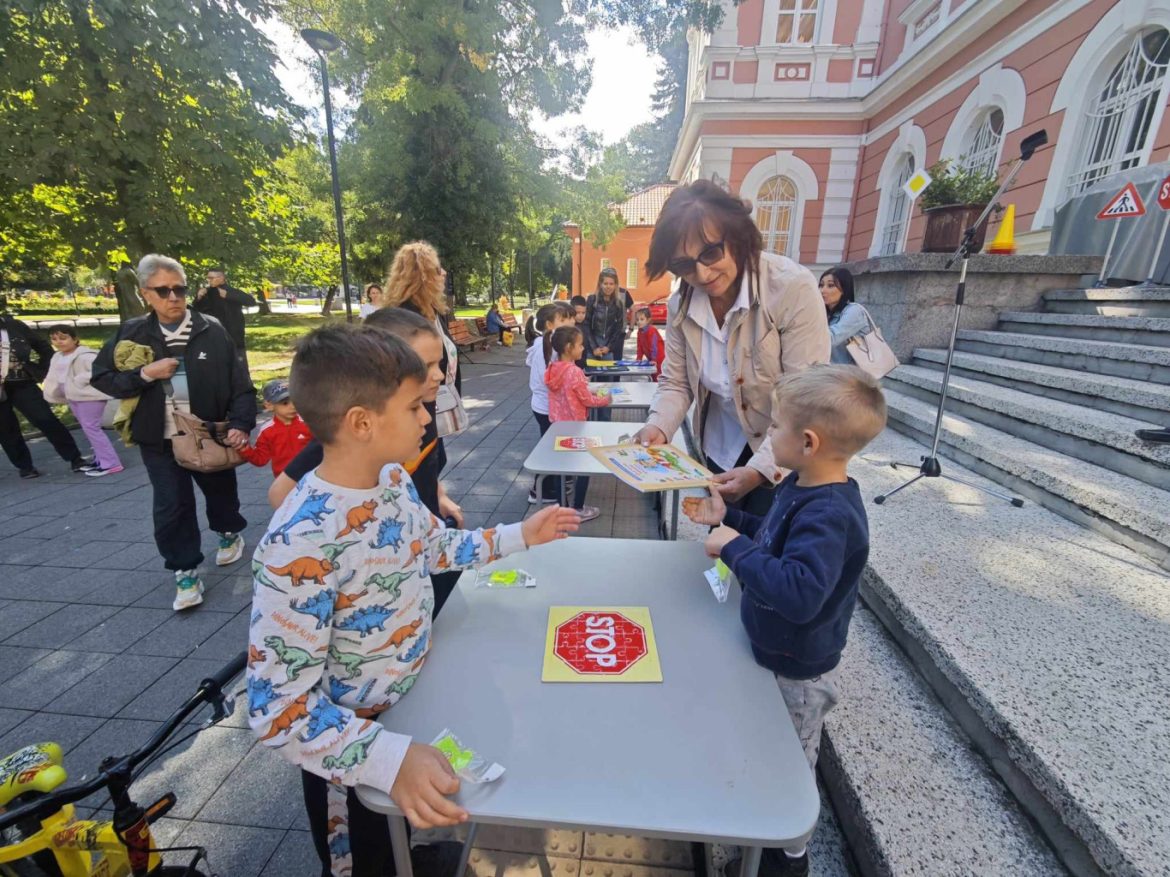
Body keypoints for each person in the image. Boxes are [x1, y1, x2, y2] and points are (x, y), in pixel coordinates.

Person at [248, 323, 580, 877]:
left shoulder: (393, 481)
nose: (427, 417)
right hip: (350, 749)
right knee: (367, 861)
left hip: (406, 706)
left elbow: (433, 546)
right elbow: (277, 707)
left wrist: (519, 535)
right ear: (362, 422)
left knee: (400, 837)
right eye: (413, 407)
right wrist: (388, 758)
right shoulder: (300, 543)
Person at [683, 365, 887, 877]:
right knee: (762, 742)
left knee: (790, 760)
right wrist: (729, 520)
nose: (768, 435)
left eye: (775, 426)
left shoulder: (830, 515)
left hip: (797, 668)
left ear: (809, 442)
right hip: (772, 647)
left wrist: (733, 548)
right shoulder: (802, 485)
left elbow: (799, 593)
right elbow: (773, 537)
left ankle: (787, 856)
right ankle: (762, 824)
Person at [634, 179, 830, 516]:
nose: (701, 273)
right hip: (718, 448)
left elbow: (807, 400)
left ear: (737, 236)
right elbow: (676, 383)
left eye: (710, 253)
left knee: (766, 542)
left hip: (783, 449)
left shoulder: (791, 288)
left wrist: (760, 470)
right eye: (683, 265)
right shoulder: (681, 303)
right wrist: (658, 426)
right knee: (722, 536)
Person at [272, 308, 466, 617]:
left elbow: (426, 465)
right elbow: (281, 493)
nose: (437, 374)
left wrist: (439, 495)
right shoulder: (354, 434)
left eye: (438, 363)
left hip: (424, 545)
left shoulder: (420, 412)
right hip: (393, 558)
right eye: (424, 364)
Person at [92, 254, 254, 612]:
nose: (173, 297)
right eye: (162, 290)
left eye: (179, 289)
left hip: (207, 433)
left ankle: (228, 531)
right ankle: (185, 570)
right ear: (145, 293)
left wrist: (241, 424)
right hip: (159, 439)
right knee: (171, 505)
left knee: (220, 494)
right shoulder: (132, 333)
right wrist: (145, 374)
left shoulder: (211, 329)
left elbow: (240, 384)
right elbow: (102, 377)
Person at [0, 304, 89, 478]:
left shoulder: (13, 326)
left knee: (45, 419)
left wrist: (41, 370)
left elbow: (43, 347)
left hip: (22, 383)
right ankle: (25, 467)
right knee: (5, 428)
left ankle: (75, 458)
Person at [545, 325, 609, 523]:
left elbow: (567, 390)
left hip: (557, 426)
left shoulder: (553, 368)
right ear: (568, 347)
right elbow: (587, 400)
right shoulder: (574, 371)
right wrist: (605, 399)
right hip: (576, 426)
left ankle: (561, 508)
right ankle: (578, 508)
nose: (583, 348)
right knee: (583, 466)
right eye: (580, 345)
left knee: (560, 468)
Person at [43, 325, 123, 477]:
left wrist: (79, 380)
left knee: (91, 427)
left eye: (63, 338)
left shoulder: (86, 355)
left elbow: (100, 370)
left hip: (89, 395)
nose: (59, 342)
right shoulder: (57, 356)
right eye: (54, 339)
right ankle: (100, 459)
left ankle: (111, 463)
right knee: (88, 428)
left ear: (75, 339)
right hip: (72, 395)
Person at [526, 302, 576, 504]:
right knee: (550, 449)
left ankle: (557, 482)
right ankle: (540, 491)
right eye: (562, 320)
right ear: (549, 325)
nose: (569, 323)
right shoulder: (544, 348)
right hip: (547, 408)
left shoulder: (550, 344)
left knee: (552, 447)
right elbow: (548, 381)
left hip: (549, 406)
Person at [238, 378, 312, 478]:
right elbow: (261, 459)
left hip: (312, 477)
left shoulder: (309, 424)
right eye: (285, 403)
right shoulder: (266, 431)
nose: (293, 407)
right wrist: (245, 449)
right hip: (285, 480)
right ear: (269, 405)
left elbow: (325, 447)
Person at [193, 266, 257, 356]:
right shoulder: (205, 293)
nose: (209, 280)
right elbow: (195, 311)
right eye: (208, 278)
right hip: (212, 336)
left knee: (237, 362)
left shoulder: (231, 291)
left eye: (211, 278)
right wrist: (199, 297)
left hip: (233, 337)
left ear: (221, 278)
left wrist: (228, 295)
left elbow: (251, 302)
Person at [819, 268, 868, 365]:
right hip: (828, 369)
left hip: (850, 372)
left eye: (830, 285)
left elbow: (831, 338)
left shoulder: (854, 311)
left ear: (844, 289)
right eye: (821, 285)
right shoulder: (825, 312)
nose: (822, 290)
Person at [583, 267, 627, 361]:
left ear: (615, 285)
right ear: (600, 284)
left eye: (611, 284)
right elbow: (586, 324)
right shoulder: (592, 300)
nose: (608, 287)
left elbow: (618, 328)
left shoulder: (618, 303)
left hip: (608, 348)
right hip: (592, 346)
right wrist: (594, 347)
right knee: (591, 370)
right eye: (605, 283)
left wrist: (609, 347)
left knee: (608, 370)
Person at [634, 307, 665, 381]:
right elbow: (639, 347)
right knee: (653, 376)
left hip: (659, 359)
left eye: (642, 319)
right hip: (651, 358)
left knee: (658, 377)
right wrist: (639, 358)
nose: (639, 322)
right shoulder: (639, 332)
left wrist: (654, 359)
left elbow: (654, 346)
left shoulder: (651, 330)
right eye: (637, 320)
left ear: (648, 320)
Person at [570, 295, 589, 368]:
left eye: (583, 313)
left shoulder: (585, 325)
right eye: (578, 313)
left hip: (583, 363)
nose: (581, 316)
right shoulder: (570, 327)